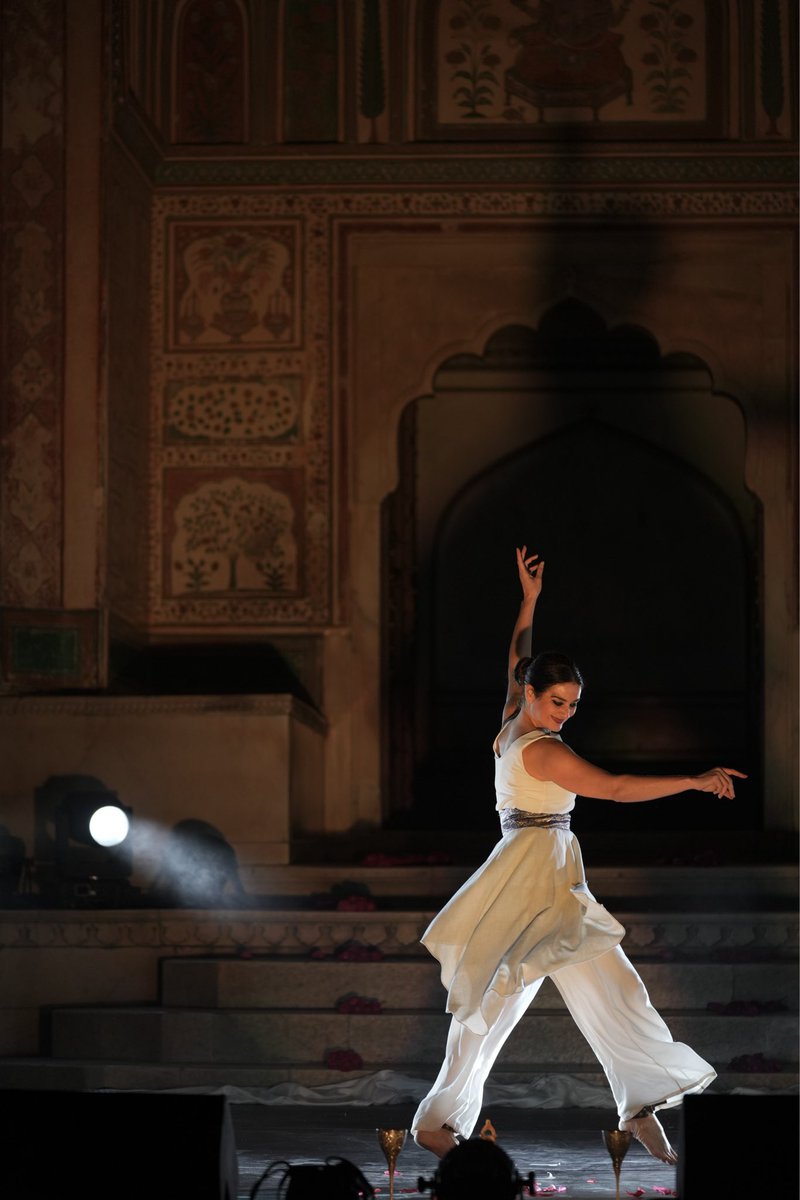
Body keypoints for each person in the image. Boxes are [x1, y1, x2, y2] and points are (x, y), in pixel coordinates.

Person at [412, 546, 746, 1164]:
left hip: (545, 870)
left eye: (572, 705)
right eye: (556, 702)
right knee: (496, 1001)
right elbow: (615, 788)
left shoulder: (512, 716)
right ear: (532, 694)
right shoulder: (543, 749)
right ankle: (436, 1121)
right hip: (533, 875)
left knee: (610, 985)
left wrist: (529, 601)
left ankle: (638, 1105)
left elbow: (517, 656)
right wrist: (694, 780)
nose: (564, 714)